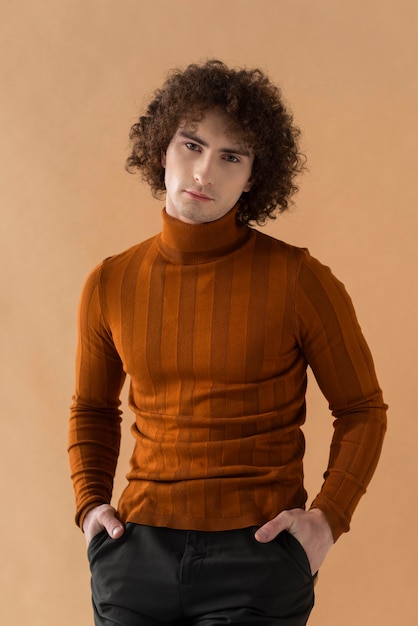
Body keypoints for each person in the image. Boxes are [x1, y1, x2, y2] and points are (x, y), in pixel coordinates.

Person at [68, 60, 387, 626]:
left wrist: (327, 521)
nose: (204, 172)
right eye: (191, 145)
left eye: (230, 157)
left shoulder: (298, 279)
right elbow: (93, 409)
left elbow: (362, 410)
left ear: (253, 178)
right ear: (161, 149)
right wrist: (91, 506)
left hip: (258, 558)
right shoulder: (110, 282)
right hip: (135, 553)